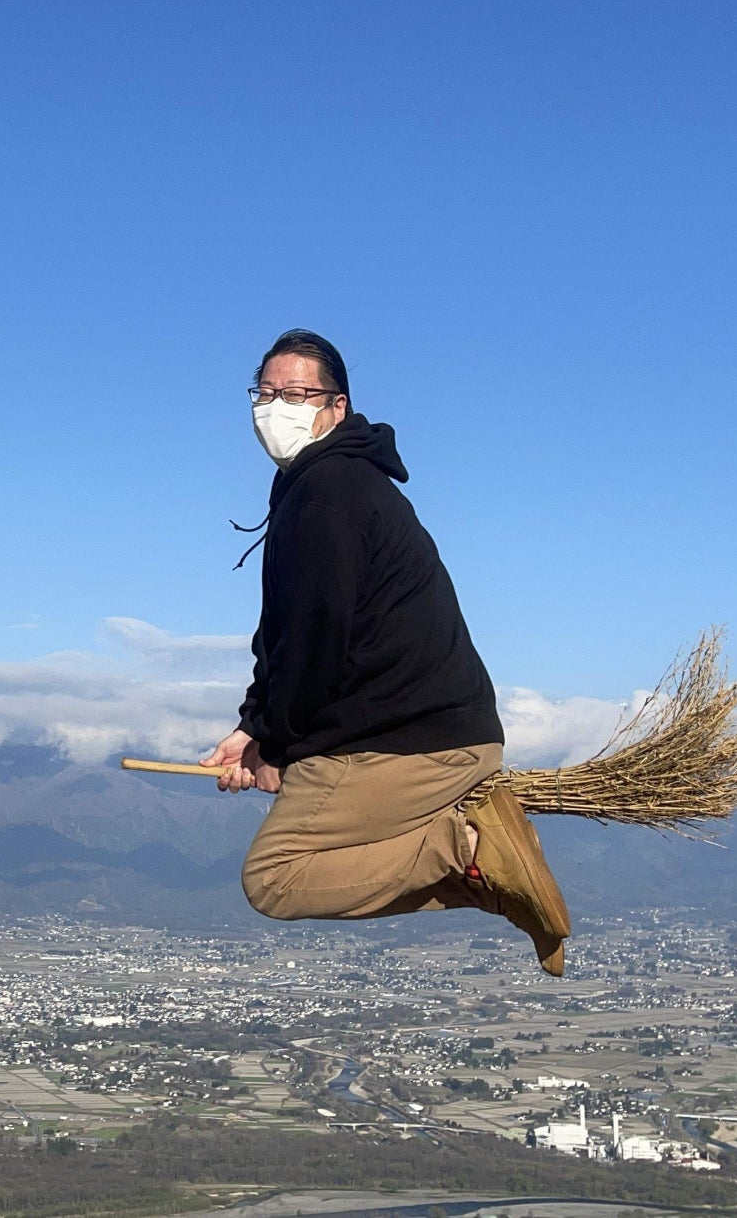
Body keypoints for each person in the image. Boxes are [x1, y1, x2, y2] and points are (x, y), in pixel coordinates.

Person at [200, 329, 572, 975]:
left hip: (412, 741)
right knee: (284, 874)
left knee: (275, 878)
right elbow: (289, 636)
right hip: (430, 730)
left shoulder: (329, 492)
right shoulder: (319, 487)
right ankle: (495, 870)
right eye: (265, 392)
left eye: (295, 393)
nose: (275, 407)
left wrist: (280, 749)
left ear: (336, 407)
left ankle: (469, 845)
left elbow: (316, 639)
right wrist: (253, 729)